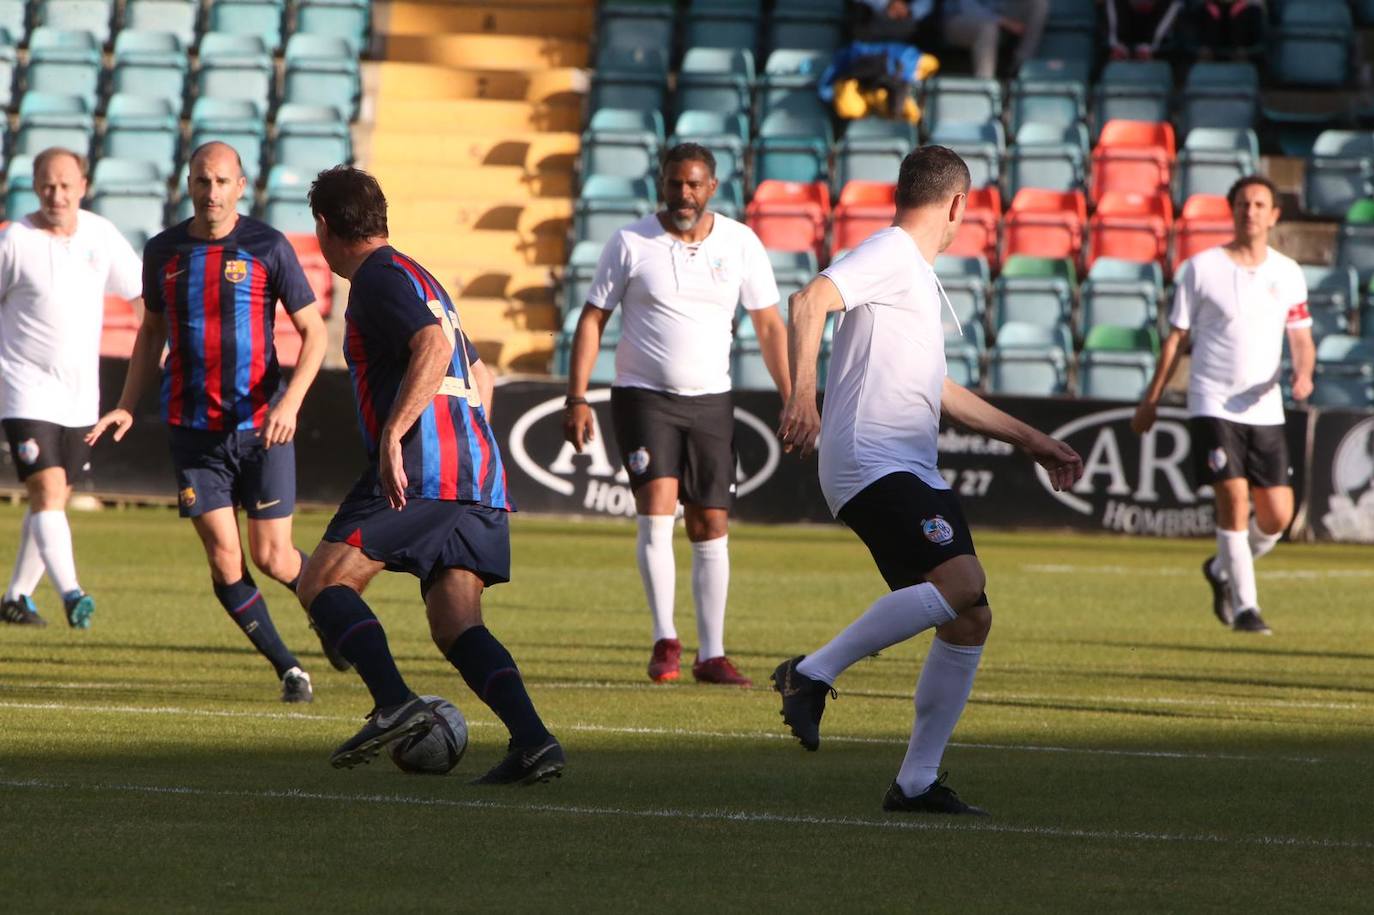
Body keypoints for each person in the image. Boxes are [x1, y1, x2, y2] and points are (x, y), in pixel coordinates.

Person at [772, 146, 1083, 815]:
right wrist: (803, 395)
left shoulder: (911, 274)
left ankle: (915, 782)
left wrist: (1032, 439)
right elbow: (808, 301)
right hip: (872, 457)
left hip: (905, 463)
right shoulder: (890, 252)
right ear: (958, 205)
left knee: (970, 616)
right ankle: (811, 671)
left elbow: (937, 389)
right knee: (961, 582)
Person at [295, 165, 564, 785]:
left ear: (326, 228)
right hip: (476, 471)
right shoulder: (418, 274)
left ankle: (392, 700)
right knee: (456, 622)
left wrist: (394, 433)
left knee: (322, 582)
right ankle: (532, 742)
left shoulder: (376, 279)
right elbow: (480, 372)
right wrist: (468, 444)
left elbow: (433, 348)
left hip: (424, 467)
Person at [88, 142, 330, 701]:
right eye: (202, 181)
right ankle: (290, 669)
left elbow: (315, 334)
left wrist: (290, 404)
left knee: (273, 557)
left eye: (222, 182)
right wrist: (128, 402)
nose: (212, 192)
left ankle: (333, 614)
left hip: (264, 427)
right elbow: (151, 334)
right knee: (225, 558)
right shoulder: (163, 252)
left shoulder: (268, 246)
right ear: (189, 184)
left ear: (240, 187)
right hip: (193, 432)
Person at [563, 143, 789, 687]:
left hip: (712, 399)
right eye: (673, 184)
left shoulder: (740, 243)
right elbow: (593, 319)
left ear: (712, 186)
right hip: (644, 397)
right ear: (661, 185)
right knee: (657, 509)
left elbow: (771, 327)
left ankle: (712, 653)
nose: (682, 194)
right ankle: (665, 639)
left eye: (692, 185)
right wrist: (576, 396)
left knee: (711, 523)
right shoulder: (630, 241)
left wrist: (794, 396)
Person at [1132, 174, 1315, 636]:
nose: (1250, 211)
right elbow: (1176, 339)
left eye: (1259, 204)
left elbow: (1301, 337)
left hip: (1265, 406)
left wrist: (1304, 373)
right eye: (1243, 204)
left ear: (1274, 215)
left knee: (1276, 517)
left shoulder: (1288, 273)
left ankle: (1221, 569)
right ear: (1231, 211)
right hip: (1212, 400)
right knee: (1233, 497)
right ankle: (1247, 608)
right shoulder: (1200, 268)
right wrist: (1151, 399)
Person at [0, 148, 143, 628]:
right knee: (47, 488)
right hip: (23, 387)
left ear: (82, 185)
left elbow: (143, 292)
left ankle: (17, 595)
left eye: (65, 185)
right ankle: (71, 592)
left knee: (53, 497)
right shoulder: (15, 240)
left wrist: (158, 343)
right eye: (46, 184)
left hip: (80, 395)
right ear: (34, 186)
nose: (56, 194)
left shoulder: (100, 235)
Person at [941, 0, 1048, 78]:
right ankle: (985, 87)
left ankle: (1020, 67)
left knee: (1038, 3)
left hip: (996, 14)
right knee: (987, 29)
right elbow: (968, 9)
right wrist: (1004, 22)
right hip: (958, 18)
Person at [1106, 0, 1184, 60]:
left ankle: (1146, 48)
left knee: (1174, 2)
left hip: (1153, 20)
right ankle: (1120, 47)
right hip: (1128, 18)